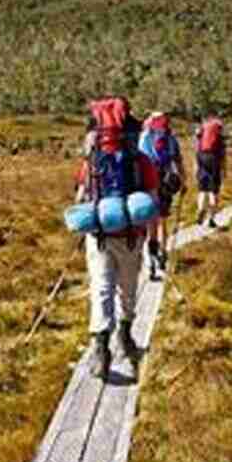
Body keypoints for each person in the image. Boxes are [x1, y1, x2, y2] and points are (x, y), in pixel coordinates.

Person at [75, 97, 160, 379]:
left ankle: (101, 349)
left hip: (98, 235)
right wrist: (153, 239)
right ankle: (125, 337)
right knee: (128, 290)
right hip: (131, 238)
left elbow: (81, 195)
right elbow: (153, 201)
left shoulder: (92, 160)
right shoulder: (141, 162)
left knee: (101, 288)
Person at [138, 111, 185, 280]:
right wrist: (183, 181)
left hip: (146, 182)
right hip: (165, 180)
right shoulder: (170, 138)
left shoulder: (144, 136)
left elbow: (137, 159)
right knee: (162, 220)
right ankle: (163, 253)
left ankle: (149, 260)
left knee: (150, 220)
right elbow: (178, 161)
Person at [193, 112, 226, 228]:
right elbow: (223, 156)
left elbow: (196, 149)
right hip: (214, 160)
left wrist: (195, 166)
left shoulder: (202, 133)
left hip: (201, 158)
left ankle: (201, 208)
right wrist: (223, 171)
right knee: (214, 192)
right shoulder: (220, 138)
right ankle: (211, 219)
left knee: (202, 190)